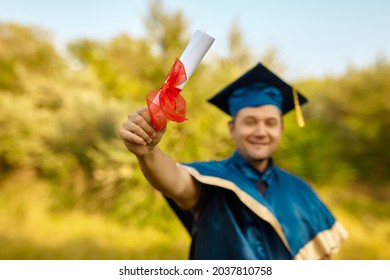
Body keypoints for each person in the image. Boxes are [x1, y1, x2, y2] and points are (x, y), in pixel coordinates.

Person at [119, 62, 348, 260]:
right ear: (232, 128)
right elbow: (177, 181)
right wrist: (148, 151)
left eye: (270, 123)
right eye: (250, 121)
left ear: (281, 129)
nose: (260, 131)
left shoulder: (300, 191)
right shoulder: (211, 180)